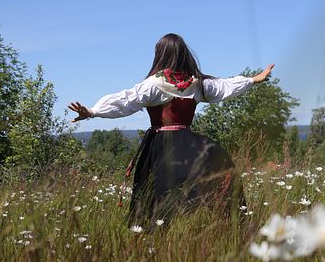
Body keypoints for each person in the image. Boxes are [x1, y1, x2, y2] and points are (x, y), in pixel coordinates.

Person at [68, 33, 274, 227]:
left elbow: (126, 101)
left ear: (160, 55)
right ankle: (234, 221)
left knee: (152, 197)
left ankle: (149, 234)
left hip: (160, 146)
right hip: (188, 145)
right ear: (184, 54)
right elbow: (224, 88)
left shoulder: (154, 84)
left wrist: (94, 111)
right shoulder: (196, 84)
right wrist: (253, 80)